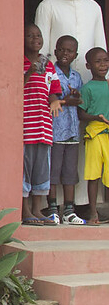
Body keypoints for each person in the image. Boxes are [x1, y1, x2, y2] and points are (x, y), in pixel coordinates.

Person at [35, 0, 106, 83]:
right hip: (56, 79)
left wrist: (105, 78)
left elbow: (100, 44)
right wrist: (41, 78)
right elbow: (41, 47)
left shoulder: (93, 7)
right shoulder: (47, 5)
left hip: (88, 78)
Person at [22, 23, 62, 225]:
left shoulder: (48, 64)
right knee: (25, 169)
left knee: (41, 170)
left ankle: (37, 209)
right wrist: (30, 71)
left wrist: (54, 101)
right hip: (26, 126)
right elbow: (17, 85)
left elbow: (53, 90)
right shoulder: (19, 60)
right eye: (30, 35)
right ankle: (25, 209)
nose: (35, 39)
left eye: (38, 35)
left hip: (43, 126)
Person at [46, 36, 85, 225]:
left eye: (69, 51)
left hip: (72, 132)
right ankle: (52, 208)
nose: (65, 54)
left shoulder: (76, 77)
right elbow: (48, 97)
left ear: (75, 55)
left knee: (70, 172)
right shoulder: (51, 73)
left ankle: (69, 210)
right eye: (61, 50)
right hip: (55, 130)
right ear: (55, 52)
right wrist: (66, 100)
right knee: (53, 172)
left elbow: (80, 101)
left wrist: (76, 96)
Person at [78, 46, 109, 225]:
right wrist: (97, 117)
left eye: (105, 60)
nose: (103, 64)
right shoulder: (87, 88)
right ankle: (93, 213)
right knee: (94, 174)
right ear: (88, 66)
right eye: (98, 61)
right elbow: (81, 114)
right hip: (95, 134)